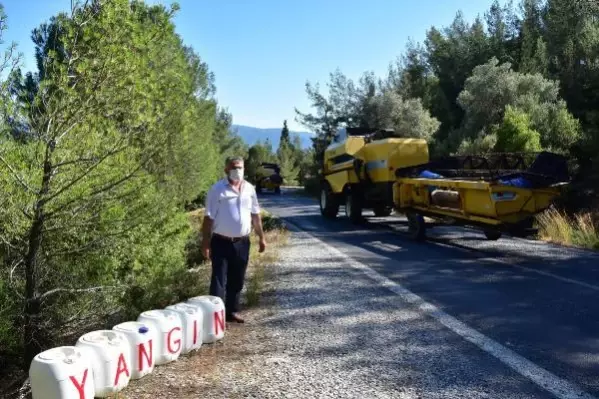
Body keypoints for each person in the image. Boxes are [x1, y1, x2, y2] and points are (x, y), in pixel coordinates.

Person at [201, 156, 266, 323]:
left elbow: (255, 215)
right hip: (221, 242)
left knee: (237, 279)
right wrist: (205, 243)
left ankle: (232, 311)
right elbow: (208, 218)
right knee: (219, 281)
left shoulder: (250, 189)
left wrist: (261, 238)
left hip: (242, 242)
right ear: (226, 170)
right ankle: (216, 318)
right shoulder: (217, 190)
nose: (238, 171)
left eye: (240, 167)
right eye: (234, 167)